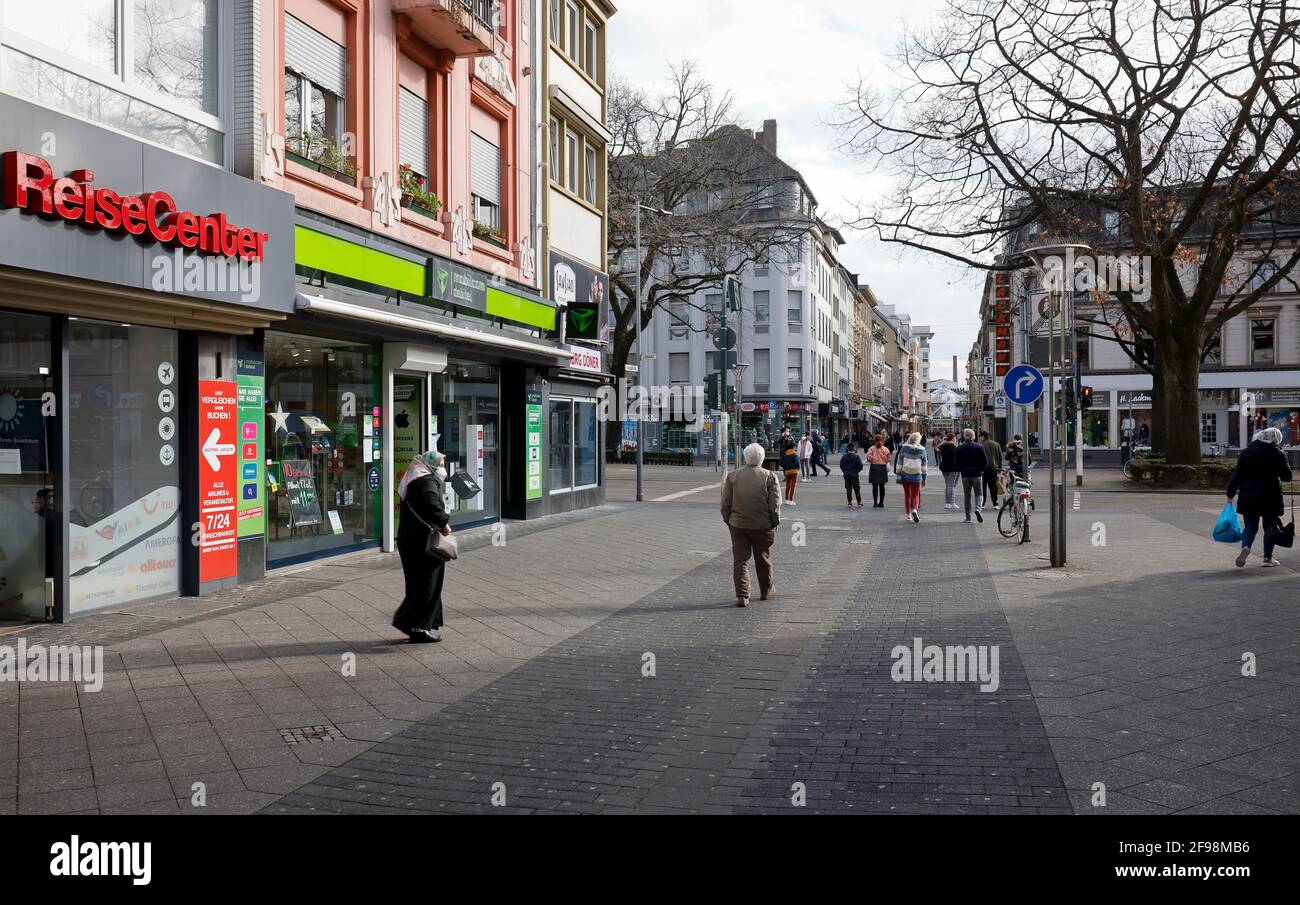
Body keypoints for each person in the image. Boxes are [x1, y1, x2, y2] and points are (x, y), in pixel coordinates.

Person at [392, 450, 452, 643]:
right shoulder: (426, 481)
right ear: (430, 465)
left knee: (417, 584)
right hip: (423, 542)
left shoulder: (414, 478)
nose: (443, 469)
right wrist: (443, 523)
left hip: (410, 540)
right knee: (427, 583)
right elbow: (430, 502)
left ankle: (410, 623)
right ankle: (418, 628)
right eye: (441, 465)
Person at [721, 442, 781, 607]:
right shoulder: (769, 476)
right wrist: (774, 522)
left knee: (740, 560)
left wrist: (729, 520)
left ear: (745, 458)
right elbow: (775, 505)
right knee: (763, 558)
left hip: (738, 525)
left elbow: (725, 503)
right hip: (762, 525)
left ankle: (742, 595)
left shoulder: (733, 476)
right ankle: (766, 590)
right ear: (761, 459)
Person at [1227, 427, 1293, 568]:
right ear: (1276, 439)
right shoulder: (1277, 453)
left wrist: (1230, 493)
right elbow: (1287, 477)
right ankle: (1267, 559)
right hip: (1270, 498)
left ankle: (1246, 546)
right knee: (1270, 527)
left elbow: (1238, 475)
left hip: (1248, 496)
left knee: (1250, 526)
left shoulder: (1246, 452)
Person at [955, 428, 990, 523]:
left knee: (967, 495)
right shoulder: (979, 447)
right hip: (977, 474)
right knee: (979, 493)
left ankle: (968, 517)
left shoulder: (960, 448)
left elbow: (957, 462)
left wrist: (961, 469)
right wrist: (981, 470)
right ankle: (978, 509)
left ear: (965, 437)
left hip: (965, 475)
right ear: (973, 437)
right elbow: (985, 461)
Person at [897, 432, 928, 522]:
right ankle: (915, 509)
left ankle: (908, 515)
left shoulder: (904, 448)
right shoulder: (922, 450)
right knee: (915, 494)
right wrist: (924, 477)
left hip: (905, 474)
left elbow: (899, 462)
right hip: (917, 475)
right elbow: (924, 466)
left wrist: (898, 472)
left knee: (907, 495)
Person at [866, 434, 891, 508]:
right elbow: (889, 459)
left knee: (875, 486)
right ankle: (882, 502)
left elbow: (868, 458)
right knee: (882, 486)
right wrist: (884, 460)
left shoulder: (871, 448)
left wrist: (872, 458)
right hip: (882, 468)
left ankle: (875, 503)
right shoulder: (885, 449)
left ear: (874, 440)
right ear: (882, 441)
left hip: (874, 467)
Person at [980, 431, 1003, 510]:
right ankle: (995, 503)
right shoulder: (996, 444)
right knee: (993, 486)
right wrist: (1000, 468)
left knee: (983, 487)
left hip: (982, 469)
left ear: (983, 436)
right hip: (993, 468)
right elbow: (1000, 457)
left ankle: (982, 503)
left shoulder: (980, 445)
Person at [937, 431, 959, 510]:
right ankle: (951, 503)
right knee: (951, 486)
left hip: (944, 467)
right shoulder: (953, 447)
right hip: (952, 468)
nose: (956, 439)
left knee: (948, 486)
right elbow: (956, 459)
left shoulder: (943, 446)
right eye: (955, 438)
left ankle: (948, 503)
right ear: (953, 438)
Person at [840, 442, 864, 507]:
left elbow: (841, 466)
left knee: (848, 489)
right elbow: (860, 466)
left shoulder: (844, 457)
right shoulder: (857, 457)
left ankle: (849, 502)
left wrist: (845, 471)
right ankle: (859, 502)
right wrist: (857, 471)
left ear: (847, 449)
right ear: (854, 448)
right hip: (855, 475)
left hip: (847, 475)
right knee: (857, 488)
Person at [779, 435, 800, 505]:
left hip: (787, 471)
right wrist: (797, 468)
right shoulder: (794, 454)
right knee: (792, 486)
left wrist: (786, 467)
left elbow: (781, 463)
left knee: (788, 485)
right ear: (793, 447)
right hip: (794, 471)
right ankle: (791, 499)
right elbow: (797, 463)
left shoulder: (785, 454)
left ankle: (786, 499)